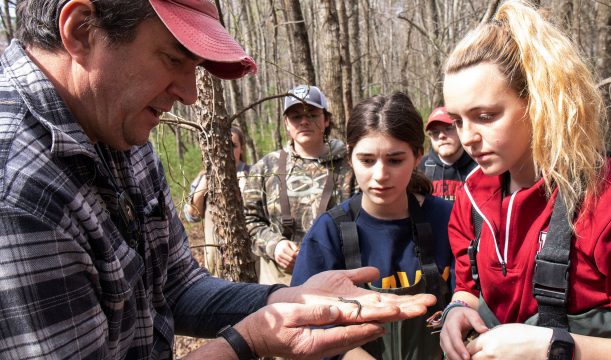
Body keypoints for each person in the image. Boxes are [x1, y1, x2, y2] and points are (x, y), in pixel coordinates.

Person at [0, 1, 437, 359]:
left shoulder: (122, 129)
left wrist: (283, 301)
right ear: (81, 32)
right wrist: (247, 341)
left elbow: (178, 286)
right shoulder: (19, 186)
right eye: (174, 58)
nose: (191, 94)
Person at [438, 1, 611, 360]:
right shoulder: (472, 195)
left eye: (485, 116)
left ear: (540, 103)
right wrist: (457, 310)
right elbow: (467, 285)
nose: (467, 137)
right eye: (457, 120)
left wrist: (557, 347)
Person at [292, 93, 454, 360]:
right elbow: (303, 319)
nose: (380, 175)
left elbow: (471, 297)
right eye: (367, 161)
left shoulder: (447, 219)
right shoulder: (330, 233)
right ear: (350, 157)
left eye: (395, 160)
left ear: (417, 157)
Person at [244, 84, 356, 285]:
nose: (304, 121)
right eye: (296, 117)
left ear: (326, 119)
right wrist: (274, 245)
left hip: (339, 276)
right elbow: (248, 219)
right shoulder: (265, 167)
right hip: (282, 281)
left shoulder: (352, 164)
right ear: (287, 124)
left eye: (312, 114)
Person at [184, 126, 252, 274]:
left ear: (241, 149)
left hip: (250, 260)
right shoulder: (204, 177)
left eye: (232, 145)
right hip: (217, 264)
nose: (226, 150)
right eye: (222, 145)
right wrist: (206, 183)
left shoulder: (253, 174)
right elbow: (191, 215)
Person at [418, 106, 476, 202]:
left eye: (448, 128)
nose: (441, 136)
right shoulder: (420, 168)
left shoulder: (478, 167)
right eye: (435, 132)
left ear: (460, 129)